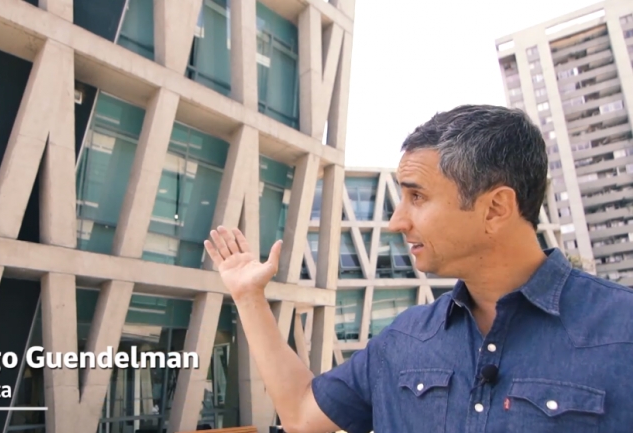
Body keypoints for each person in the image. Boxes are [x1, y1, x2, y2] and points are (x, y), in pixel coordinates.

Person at [203, 104, 633, 432]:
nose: (396, 221)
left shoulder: (622, 330)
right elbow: (301, 414)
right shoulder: (404, 339)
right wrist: (248, 296)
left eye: (417, 197)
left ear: (496, 208)